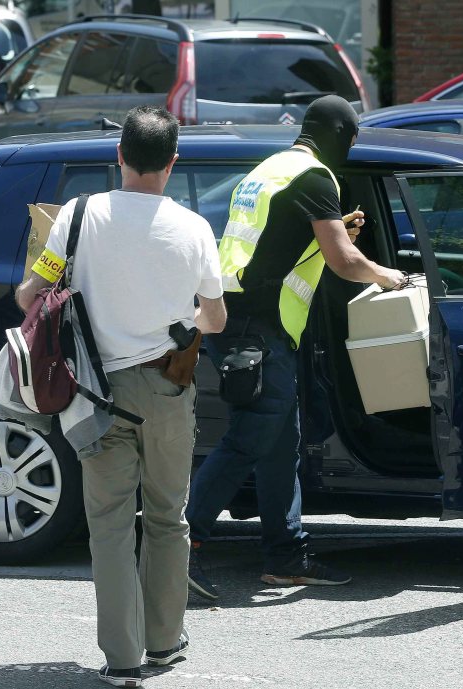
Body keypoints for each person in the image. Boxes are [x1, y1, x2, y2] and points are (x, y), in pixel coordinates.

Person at [15, 105, 226, 688]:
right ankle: (164, 641)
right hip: (166, 388)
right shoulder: (194, 228)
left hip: (95, 393)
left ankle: (122, 656)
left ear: (119, 157)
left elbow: (31, 293)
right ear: (173, 161)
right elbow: (216, 317)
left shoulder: (77, 219)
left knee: (108, 523)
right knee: (167, 518)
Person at [184, 95, 408, 601]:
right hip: (258, 328)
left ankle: (286, 554)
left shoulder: (270, 170)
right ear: (338, 137)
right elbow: (346, 262)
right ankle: (177, 544)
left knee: (279, 443)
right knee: (248, 440)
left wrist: (327, 236)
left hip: (236, 319)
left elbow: (276, 241)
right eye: (350, 141)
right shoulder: (314, 177)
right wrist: (391, 277)